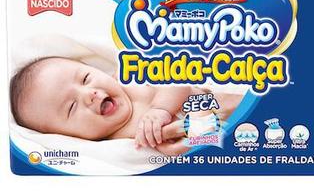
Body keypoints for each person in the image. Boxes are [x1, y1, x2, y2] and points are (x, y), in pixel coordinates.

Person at [10, 57, 242, 156]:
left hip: (218, 98)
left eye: (86, 78)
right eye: (71, 107)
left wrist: (160, 109)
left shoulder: (129, 79)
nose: (90, 94)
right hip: (219, 134)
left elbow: (177, 78)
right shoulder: (116, 144)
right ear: (67, 136)